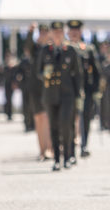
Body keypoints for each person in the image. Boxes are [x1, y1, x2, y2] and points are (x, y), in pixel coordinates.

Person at [37, 21, 83, 171]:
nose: (57, 34)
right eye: (54, 32)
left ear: (63, 33)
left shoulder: (70, 50)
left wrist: (78, 95)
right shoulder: (46, 51)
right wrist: (45, 74)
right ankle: (57, 159)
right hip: (50, 94)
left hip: (67, 94)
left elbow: (77, 74)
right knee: (54, 126)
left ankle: (69, 155)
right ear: (51, 33)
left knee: (66, 124)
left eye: (59, 32)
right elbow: (38, 71)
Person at [67, 20, 99, 159]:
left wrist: (96, 89)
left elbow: (97, 71)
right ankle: (70, 146)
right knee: (69, 118)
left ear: (80, 32)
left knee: (85, 118)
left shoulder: (88, 48)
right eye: (72, 30)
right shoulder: (64, 48)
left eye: (77, 30)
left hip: (85, 89)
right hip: (68, 88)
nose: (74, 33)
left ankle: (84, 144)